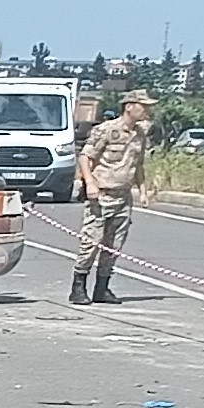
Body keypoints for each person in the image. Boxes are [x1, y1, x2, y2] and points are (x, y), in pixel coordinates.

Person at [70, 92, 153, 304]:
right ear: (129, 107)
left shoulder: (140, 135)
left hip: (123, 196)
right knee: (91, 242)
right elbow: (85, 156)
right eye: (143, 106)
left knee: (114, 245)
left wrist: (143, 190)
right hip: (102, 195)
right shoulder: (106, 130)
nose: (147, 110)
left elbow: (138, 165)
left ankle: (102, 288)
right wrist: (89, 183)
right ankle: (78, 286)